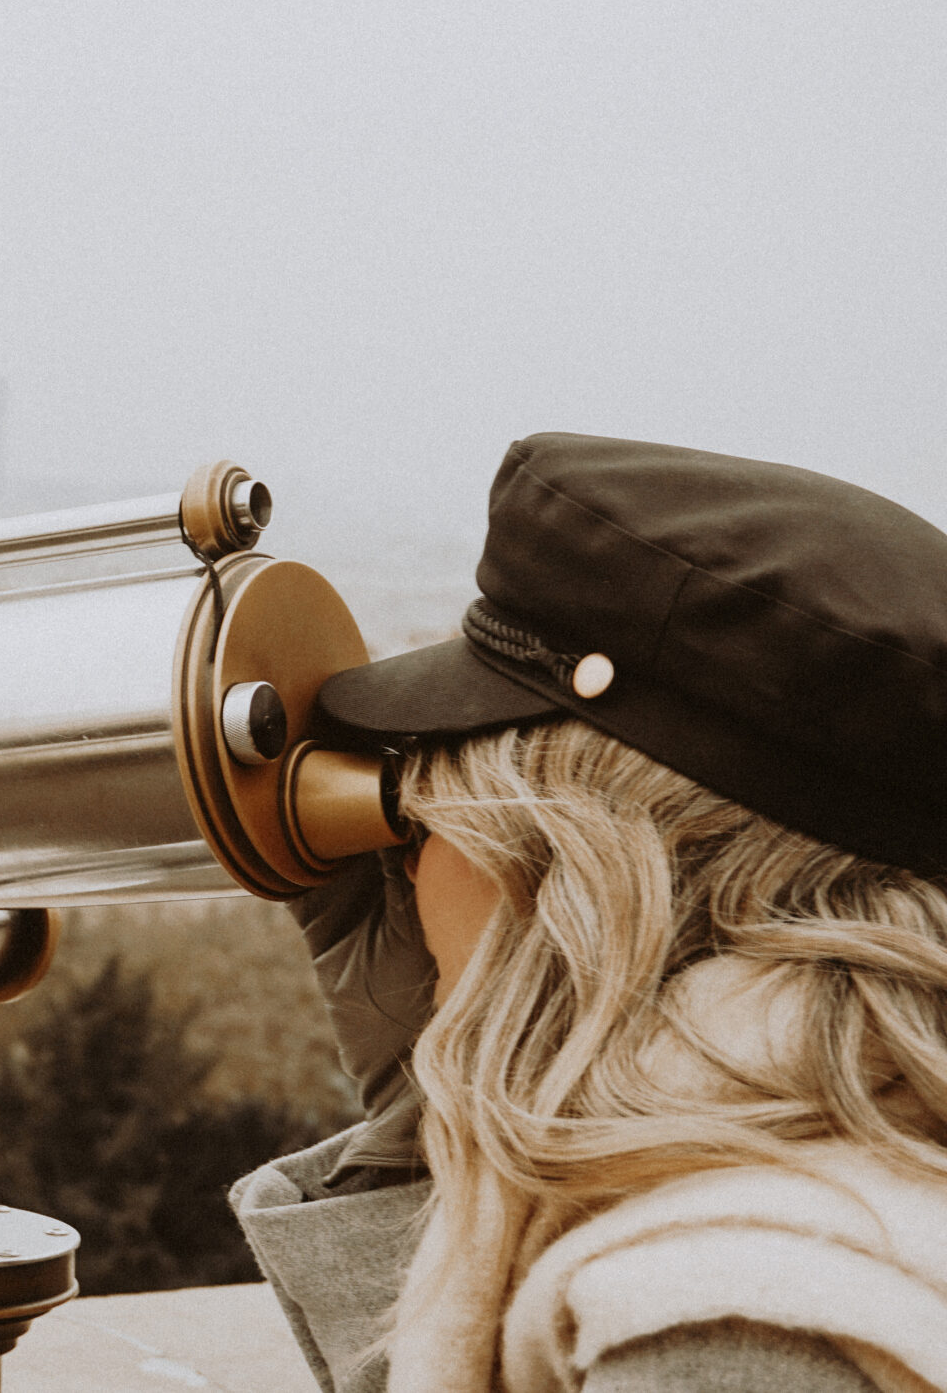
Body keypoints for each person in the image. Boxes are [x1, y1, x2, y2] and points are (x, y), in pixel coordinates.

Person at [233, 433, 947, 1393]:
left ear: (569, 860)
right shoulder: (842, 1207)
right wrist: (429, 1135)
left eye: (426, 809)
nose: (406, 861)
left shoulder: (739, 1315)